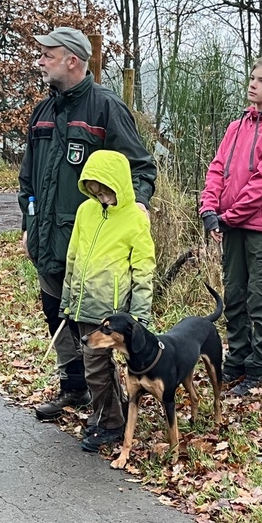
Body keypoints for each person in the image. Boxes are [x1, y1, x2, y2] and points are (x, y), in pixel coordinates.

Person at [18, 26, 157, 425]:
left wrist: (140, 205)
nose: (41, 61)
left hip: (93, 249)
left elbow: (141, 167)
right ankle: (73, 387)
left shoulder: (105, 108)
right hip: (47, 240)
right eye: (41, 53)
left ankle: (110, 411)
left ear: (72, 60)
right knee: (54, 313)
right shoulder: (43, 112)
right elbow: (27, 179)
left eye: (48, 54)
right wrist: (28, 224)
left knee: (94, 330)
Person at [199, 55, 262, 396]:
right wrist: (210, 209)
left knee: (260, 300)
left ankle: (258, 369)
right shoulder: (237, 125)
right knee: (235, 296)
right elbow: (217, 168)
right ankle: (236, 362)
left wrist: (230, 217)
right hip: (231, 226)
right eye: (252, 78)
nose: (253, 84)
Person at [60, 150, 155, 451]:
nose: (102, 199)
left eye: (107, 192)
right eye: (95, 192)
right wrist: (67, 300)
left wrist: (139, 315)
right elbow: (73, 257)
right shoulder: (85, 212)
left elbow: (144, 270)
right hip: (82, 304)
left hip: (111, 310)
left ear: (121, 186)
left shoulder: (134, 220)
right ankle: (110, 413)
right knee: (99, 366)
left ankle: (111, 423)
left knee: (95, 367)